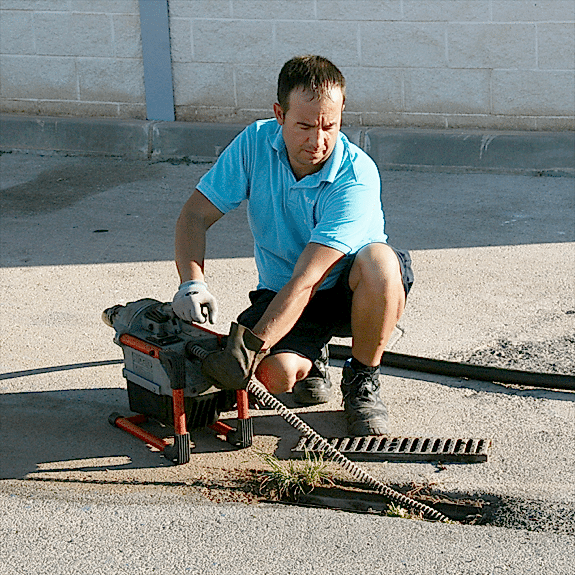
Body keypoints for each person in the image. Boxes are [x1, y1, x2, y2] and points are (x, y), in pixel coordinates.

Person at [172, 55, 413, 436]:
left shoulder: (357, 174)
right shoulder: (254, 143)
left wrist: (250, 346)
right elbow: (194, 215)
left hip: (349, 293)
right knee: (275, 376)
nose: (317, 141)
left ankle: (363, 378)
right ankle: (311, 359)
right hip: (283, 292)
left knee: (381, 263)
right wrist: (192, 282)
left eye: (328, 126)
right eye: (303, 125)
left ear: (341, 113)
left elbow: (310, 277)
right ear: (279, 114)